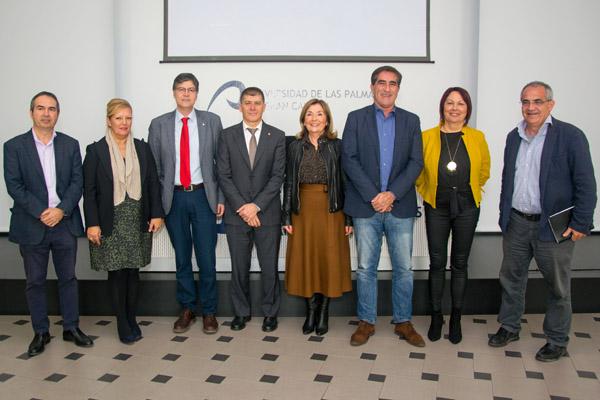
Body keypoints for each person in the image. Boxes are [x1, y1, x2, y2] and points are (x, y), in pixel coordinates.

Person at [489, 81, 596, 362]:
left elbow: (586, 182)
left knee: (557, 286)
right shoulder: (515, 136)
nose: (530, 107)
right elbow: (507, 179)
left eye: (537, 101)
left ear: (550, 104)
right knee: (511, 278)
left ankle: (557, 340)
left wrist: (582, 222)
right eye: (525, 102)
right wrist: (503, 215)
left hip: (553, 226)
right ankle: (510, 326)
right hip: (517, 222)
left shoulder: (570, 136)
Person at [3, 91, 93, 356]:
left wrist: (61, 210)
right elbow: (14, 186)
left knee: (68, 278)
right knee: (35, 281)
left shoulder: (70, 144)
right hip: (33, 223)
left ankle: (71, 327)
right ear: (31, 112)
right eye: (40, 108)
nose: (46, 113)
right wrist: (43, 211)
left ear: (58, 113)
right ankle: (41, 331)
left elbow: (78, 182)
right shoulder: (14, 146)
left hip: (64, 223)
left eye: (51, 109)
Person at [342, 66, 425, 347]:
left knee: (404, 268)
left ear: (398, 89)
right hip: (367, 208)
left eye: (392, 84)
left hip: (399, 207)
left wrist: (391, 194)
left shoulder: (412, 121)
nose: (387, 88)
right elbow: (349, 160)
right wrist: (374, 196)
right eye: (381, 83)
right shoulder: (356, 119)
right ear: (372, 86)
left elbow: (416, 162)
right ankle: (366, 322)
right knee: (366, 268)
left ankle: (403, 321)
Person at [83, 98, 164, 344]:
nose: (124, 123)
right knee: (117, 273)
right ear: (109, 121)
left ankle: (131, 317)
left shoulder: (142, 148)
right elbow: (90, 190)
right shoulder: (95, 150)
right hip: (110, 220)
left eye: (128, 118)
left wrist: (157, 214)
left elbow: (151, 183)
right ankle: (122, 322)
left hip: (137, 217)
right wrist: (92, 223)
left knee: (133, 271)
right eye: (119, 118)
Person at [148, 73, 224, 335]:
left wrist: (221, 198)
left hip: (204, 196)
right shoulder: (158, 125)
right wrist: (157, 207)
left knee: (206, 258)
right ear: (173, 92)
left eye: (191, 89)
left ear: (197, 93)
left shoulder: (211, 122)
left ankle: (210, 311)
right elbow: (154, 169)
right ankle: (188, 309)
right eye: (181, 89)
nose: (186, 94)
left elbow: (221, 165)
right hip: (174, 198)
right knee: (182, 257)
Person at [416, 87, 490, 344]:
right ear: (442, 107)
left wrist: (467, 191)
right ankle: (437, 317)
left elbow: (484, 170)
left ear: (467, 109)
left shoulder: (477, 137)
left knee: (460, 263)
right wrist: (427, 191)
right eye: (450, 103)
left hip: (468, 207)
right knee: (437, 263)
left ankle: (456, 319)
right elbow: (418, 171)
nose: (455, 108)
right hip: (437, 206)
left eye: (460, 103)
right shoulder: (427, 136)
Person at [217, 87, 286, 332]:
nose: (253, 107)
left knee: (269, 267)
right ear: (240, 106)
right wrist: (243, 208)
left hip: (267, 214)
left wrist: (255, 207)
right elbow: (223, 176)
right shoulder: (226, 136)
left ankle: (270, 313)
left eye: (257, 102)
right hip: (237, 215)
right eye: (248, 102)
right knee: (239, 267)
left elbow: (277, 177)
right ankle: (241, 312)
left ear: (264, 106)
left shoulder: (277, 136)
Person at [283, 99, 352, 336]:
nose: (314, 119)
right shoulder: (293, 147)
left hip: (332, 210)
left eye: (319, 114)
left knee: (328, 260)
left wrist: (349, 219)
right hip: (302, 211)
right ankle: (310, 312)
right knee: (306, 261)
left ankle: (323, 313)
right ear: (303, 119)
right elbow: (289, 184)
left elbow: (345, 182)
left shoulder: (338, 146)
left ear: (327, 119)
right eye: (309, 114)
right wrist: (286, 217)